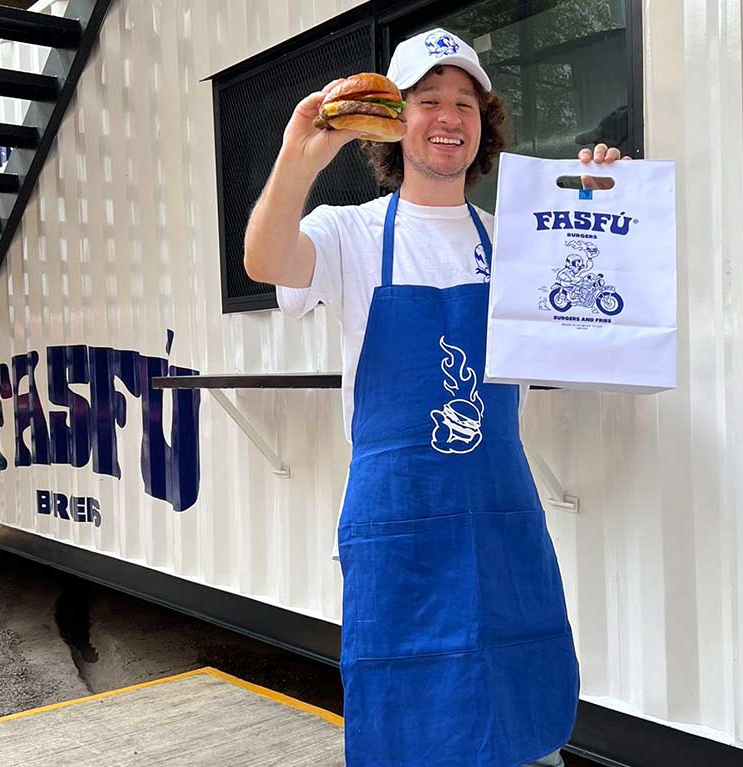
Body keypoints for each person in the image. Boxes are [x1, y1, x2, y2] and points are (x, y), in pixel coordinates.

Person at [244, 27, 629, 767]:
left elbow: (600, 294)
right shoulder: (349, 233)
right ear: (396, 120)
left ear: (483, 126)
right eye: (427, 101)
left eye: (465, 102)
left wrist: (603, 192)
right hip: (398, 521)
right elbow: (264, 256)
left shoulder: (513, 239)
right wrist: (301, 154)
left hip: (499, 514)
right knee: (406, 714)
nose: (448, 116)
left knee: (517, 704)